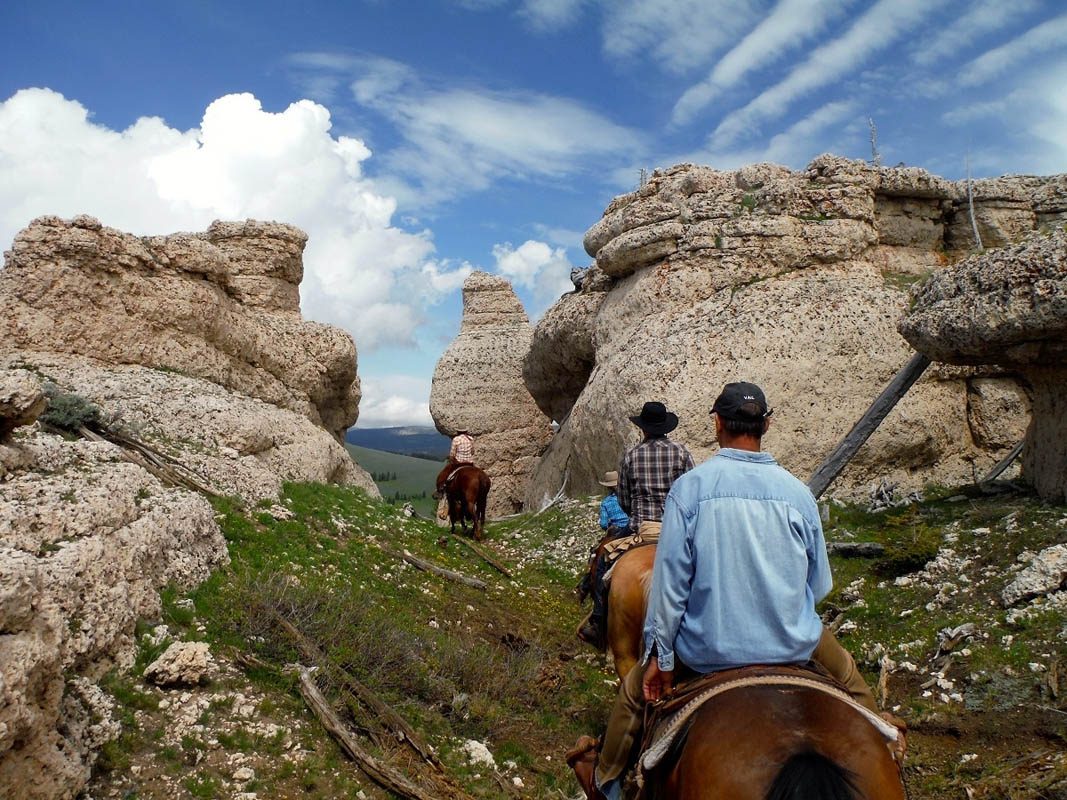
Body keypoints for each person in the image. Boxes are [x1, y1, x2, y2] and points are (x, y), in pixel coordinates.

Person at [567, 382, 899, 800]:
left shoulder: (691, 490)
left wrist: (661, 659)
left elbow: (670, 590)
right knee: (852, 680)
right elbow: (819, 586)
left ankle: (605, 784)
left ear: (717, 423)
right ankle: (891, 745)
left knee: (634, 694)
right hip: (792, 646)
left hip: (709, 651)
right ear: (767, 425)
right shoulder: (798, 494)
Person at [577, 402, 694, 649]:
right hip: (676, 530)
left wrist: (636, 514)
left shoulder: (631, 456)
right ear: (666, 427)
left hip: (641, 529)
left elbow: (624, 499)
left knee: (603, 561)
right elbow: (691, 494)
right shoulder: (682, 453)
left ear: (643, 428)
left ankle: (598, 621)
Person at [576, 471, 631, 648]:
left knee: (596, 559)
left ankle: (594, 605)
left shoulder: (607, 502)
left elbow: (603, 524)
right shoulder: (628, 495)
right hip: (633, 531)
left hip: (615, 534)